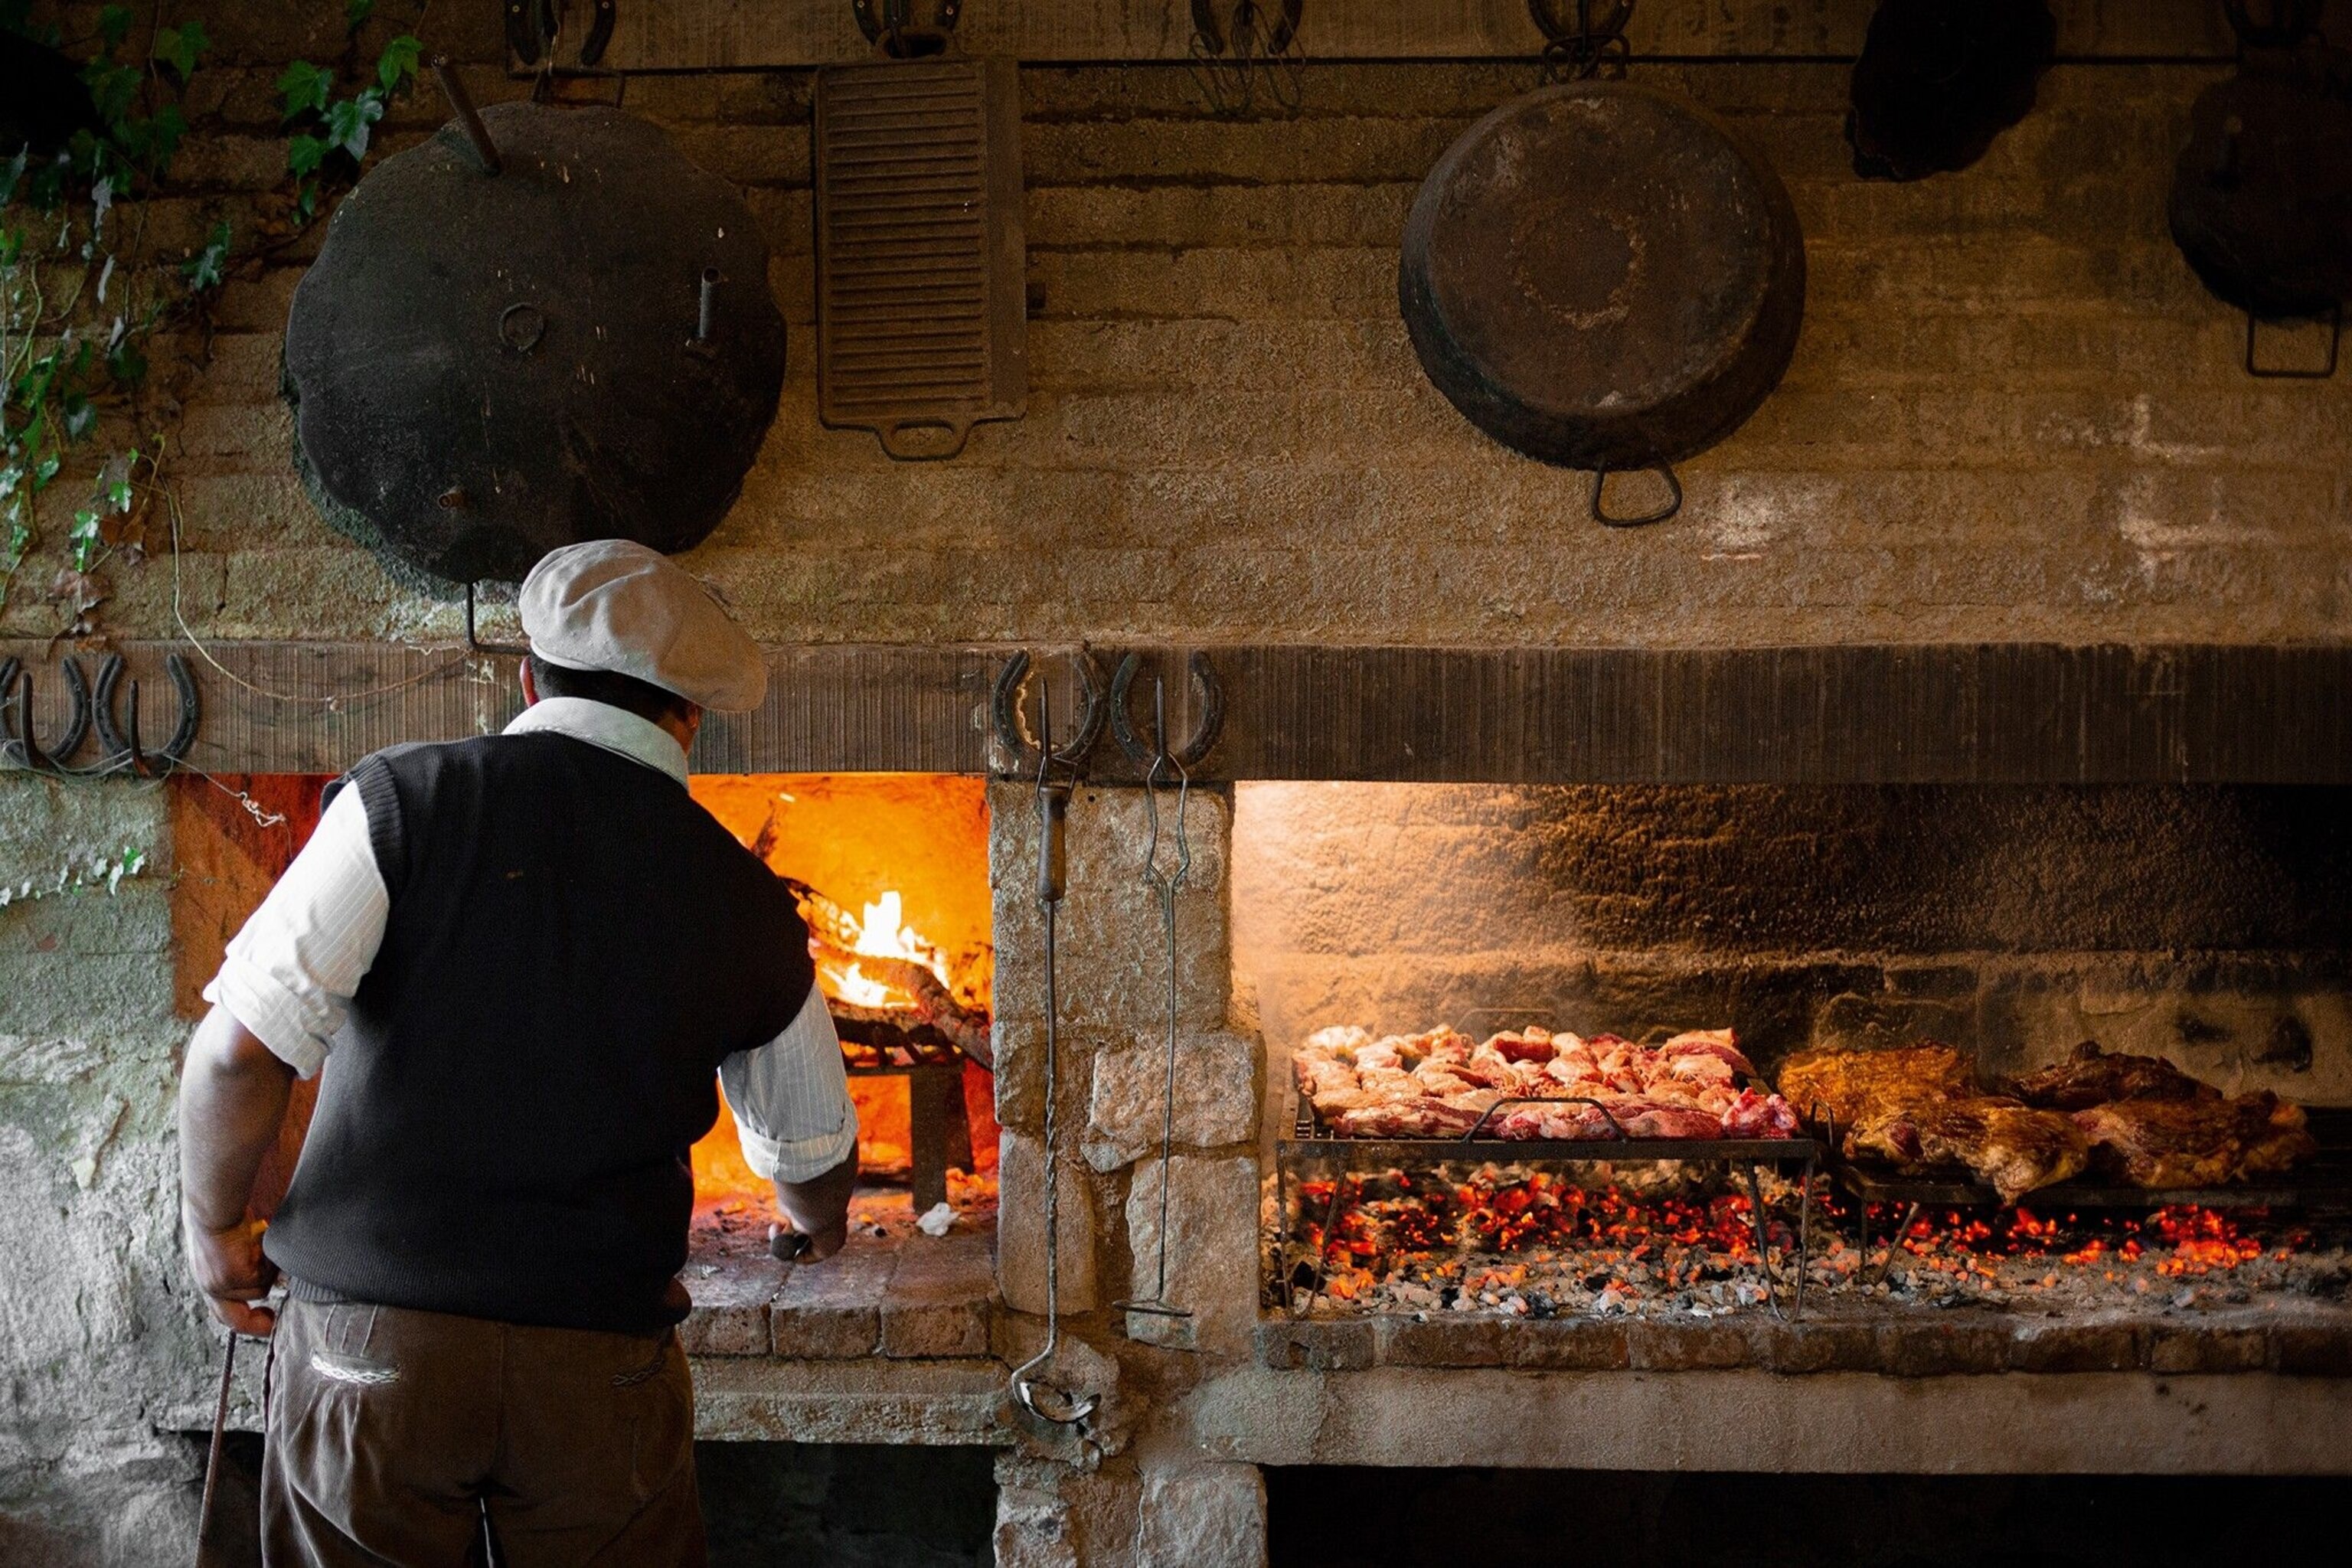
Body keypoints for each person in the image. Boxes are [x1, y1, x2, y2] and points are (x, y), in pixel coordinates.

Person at [177, 539, 858, 1566]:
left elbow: (239, 1054)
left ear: (530, 677)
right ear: (690, 718)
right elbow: (812, 1157)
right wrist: (818, 1227)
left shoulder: (405, 803)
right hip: (599, 1370)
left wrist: (212, 1223)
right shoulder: (746, 900)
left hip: (373, 1352)